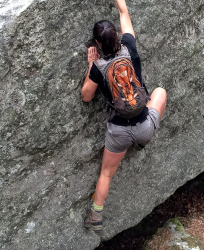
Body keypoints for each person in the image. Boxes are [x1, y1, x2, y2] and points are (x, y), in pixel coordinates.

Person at [82, 0, 167, 231]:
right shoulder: (129, 47)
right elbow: (124, 12)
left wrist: (91, 64)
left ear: (98, 44)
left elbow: (86, 96)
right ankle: (142, 141)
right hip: (144, 127)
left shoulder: (98, 67)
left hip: (118, 132)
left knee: (106, 174)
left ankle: (96, 217)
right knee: (160, 92)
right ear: (117, 37)